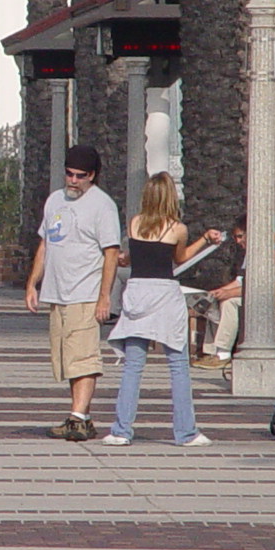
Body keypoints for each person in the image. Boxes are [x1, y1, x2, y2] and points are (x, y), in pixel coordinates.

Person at [103, 172, 219, 446]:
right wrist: (205, 239)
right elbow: (179, 258)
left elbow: (135, 254)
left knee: (133, 365)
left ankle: (121, 430)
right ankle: (185, 432)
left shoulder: (135, 224)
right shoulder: (177, 229)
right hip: (164, 293)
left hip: (137, 291)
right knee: (178, 364)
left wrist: (126, 259)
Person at [25, 144, 121, 441]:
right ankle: (83, 417)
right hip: (57, 292)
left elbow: (112, 252)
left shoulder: (102, 205)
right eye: (69, 174)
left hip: (86, 292)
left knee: (84, 358)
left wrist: (105, 296)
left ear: (92, 175)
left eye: (80, 175)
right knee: (69, 360)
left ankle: (77, 418)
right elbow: (45, 245)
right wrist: (32, 283)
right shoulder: (55, 201)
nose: (73, 180)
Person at [193, 218, 246, 370]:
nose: (238, 241)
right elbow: (240, 281)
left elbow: (256, 286)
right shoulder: (246, 255)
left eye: (241, 236)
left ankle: (223, 353)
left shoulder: (262, 254)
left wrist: (228, 294)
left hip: (261, 297)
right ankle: (211, 351)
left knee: (229, 302)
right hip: (243, 291)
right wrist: (220, 292)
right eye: (236, 237)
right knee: (213, 300)